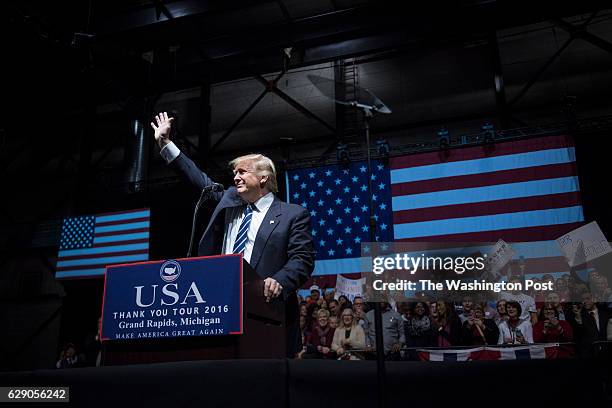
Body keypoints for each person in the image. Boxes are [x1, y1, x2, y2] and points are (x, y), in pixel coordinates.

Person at [151, 112, 315, 357]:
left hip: (267, 313)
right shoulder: (228, 199)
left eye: (242, 172)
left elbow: (302, 259)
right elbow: (196, 177)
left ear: (263, 178)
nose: (235, 177)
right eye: (234, 173)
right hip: (220, 306)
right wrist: (165, 144)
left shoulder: (293, 214)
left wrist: (279, 280)